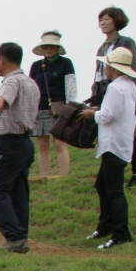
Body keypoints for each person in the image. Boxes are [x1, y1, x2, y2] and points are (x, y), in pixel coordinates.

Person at [0, 43, 41, 253]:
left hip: (7, 142)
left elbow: (3, 100)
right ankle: (21, 235)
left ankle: (14, 236)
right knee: (19, 192)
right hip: (25, 142)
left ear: (1, 60)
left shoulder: (11, 81)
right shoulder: (30, 82)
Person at [79, 47, 136, 249]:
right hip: (121, 142)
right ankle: (105, 227)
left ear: (113, 67)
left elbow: (107, 116)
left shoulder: (115, 87)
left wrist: (91, 114)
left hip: (113, 143)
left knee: (114, 191)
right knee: (102, 186)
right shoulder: (129, 85)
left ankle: (121, 233)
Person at [93, 7, 136, 186]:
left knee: (127, 131)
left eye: (106, 19)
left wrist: (130, 89)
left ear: (116, 20)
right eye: (100, 19)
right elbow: (98, 72)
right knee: (108, 131)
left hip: (121, 89)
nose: (102, 23)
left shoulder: (126, 42)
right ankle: (105, 176)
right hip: (104, 90)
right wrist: (94, 95)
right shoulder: (102, 47)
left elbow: (133, 67)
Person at [28, 32, 78, 178]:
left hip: (60, 109)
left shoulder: (66, 63)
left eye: (52, 46)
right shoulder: (36, 66)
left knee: (60, 144)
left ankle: (64, 176)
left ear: (57, 47)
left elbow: (71, 87)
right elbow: (32, 88)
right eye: (45, 46)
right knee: (43, 145)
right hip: (40, 107)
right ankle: (44, 176)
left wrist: (70, 108)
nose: (49, 49)